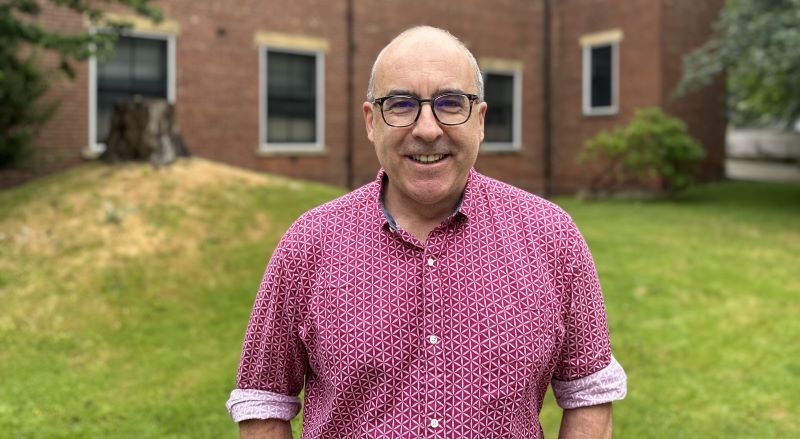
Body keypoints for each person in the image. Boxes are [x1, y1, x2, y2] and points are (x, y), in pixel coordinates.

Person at [226, 26, 627, 438]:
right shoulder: (309, 243)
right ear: (370, 121)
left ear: (481, 119)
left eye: (451, 103)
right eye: (401, 104)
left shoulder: (552, 237)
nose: (428, 129)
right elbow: (265, 398)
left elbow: (588, 392)